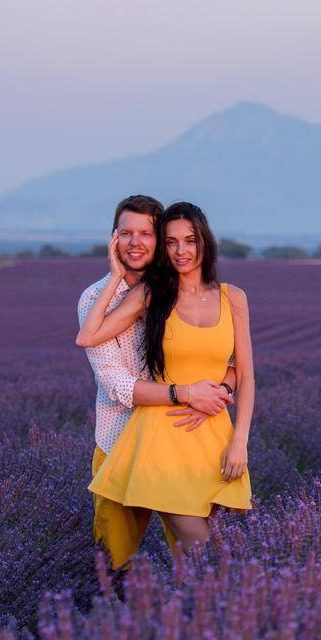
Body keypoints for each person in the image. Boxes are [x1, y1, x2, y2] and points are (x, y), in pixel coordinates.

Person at [77, 200, 254, 555]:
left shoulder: (230, 297)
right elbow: (96, 351)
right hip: (143, 436)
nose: (180, 250)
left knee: (202, 556)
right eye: (171, 241)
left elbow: (241, 371)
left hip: (209, 433)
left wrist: (235, 431)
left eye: (189, 240)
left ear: (204, 240)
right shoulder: (138, 295)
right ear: (114, 239)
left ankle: (180, 610)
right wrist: (114, 276)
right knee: (191, 552)